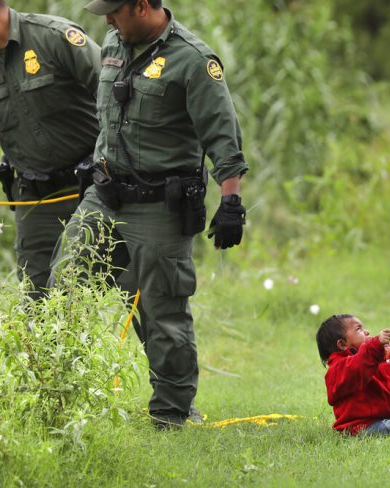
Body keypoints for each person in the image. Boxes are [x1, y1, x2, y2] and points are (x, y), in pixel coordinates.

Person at [48, 0, 249, 429]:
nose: (106, 20)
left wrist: (231, 202)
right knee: (63, 283)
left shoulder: (194, 60)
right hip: (104, 196)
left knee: (163, 312)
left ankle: (171, 413)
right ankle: (55, 396)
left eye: (114, 11)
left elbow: (222, 133)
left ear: (142, 5)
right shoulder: (113, 43)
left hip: (160, 206)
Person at [0, 0, 101, 298]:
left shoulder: (54, 37)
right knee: (40, 305)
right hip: (35, 200)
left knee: (135, 287)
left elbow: (114, 94)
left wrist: (105, 158)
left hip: (95, 189)